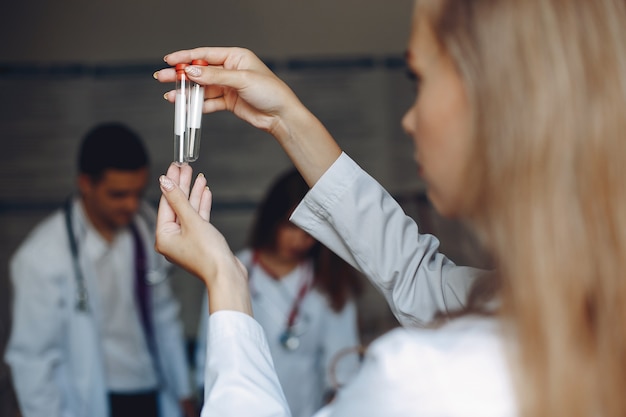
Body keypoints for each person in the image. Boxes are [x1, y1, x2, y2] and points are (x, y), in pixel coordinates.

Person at [153, 0, 626, 415]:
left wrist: (226, 280)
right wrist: (285, 119)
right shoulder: (573, 314)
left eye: (418, 79)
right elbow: (417, 277)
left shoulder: (427, 381)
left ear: (501, 102)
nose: (408, 119)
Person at [5, 123, 197, 417]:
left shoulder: (146, 229)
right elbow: (33, 359)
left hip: (151, 392)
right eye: (118, 194)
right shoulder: (41, 257)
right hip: (91, 397)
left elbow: (164, 315)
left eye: (138, 192)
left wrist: (183, 391)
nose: (132, 205)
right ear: (86, 183)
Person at [194, 168, 363, 417]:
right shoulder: (231, 268)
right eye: (291, 226)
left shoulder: (331, 282)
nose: (300, 240)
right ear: (271, 220)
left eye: (311, 231)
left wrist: (336, 402)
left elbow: (343, 365)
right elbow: (210, 347)